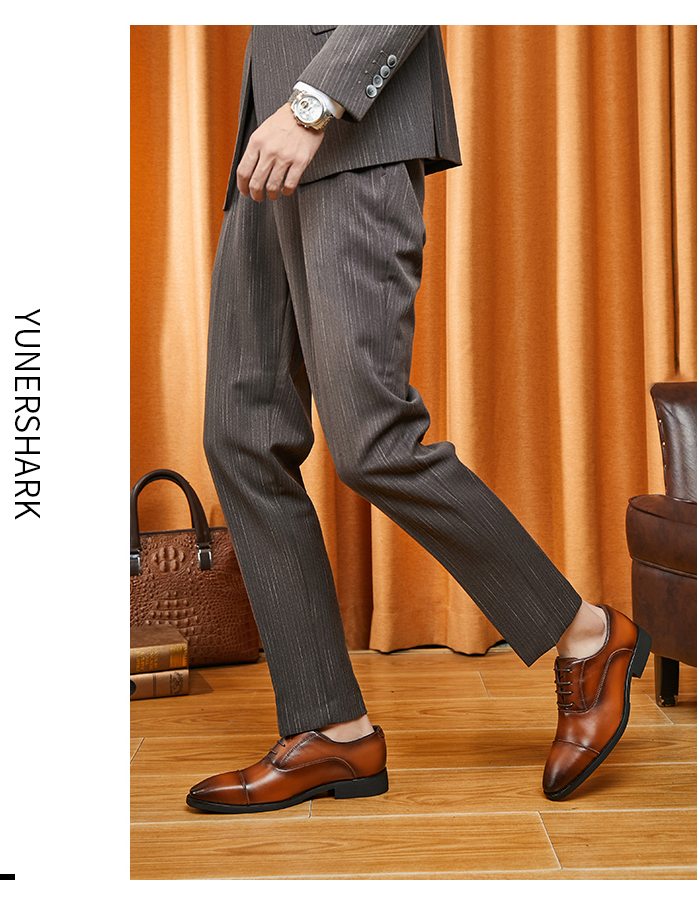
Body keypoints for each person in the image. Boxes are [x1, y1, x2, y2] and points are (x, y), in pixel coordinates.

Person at [186, 25, 651, 814]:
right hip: (268, 139)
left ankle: (586, 633)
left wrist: (313, 103)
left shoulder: (321, 111)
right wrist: (284, 110)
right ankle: (330, 726)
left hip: (344, 130)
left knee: (372, 439)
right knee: (241, 436)